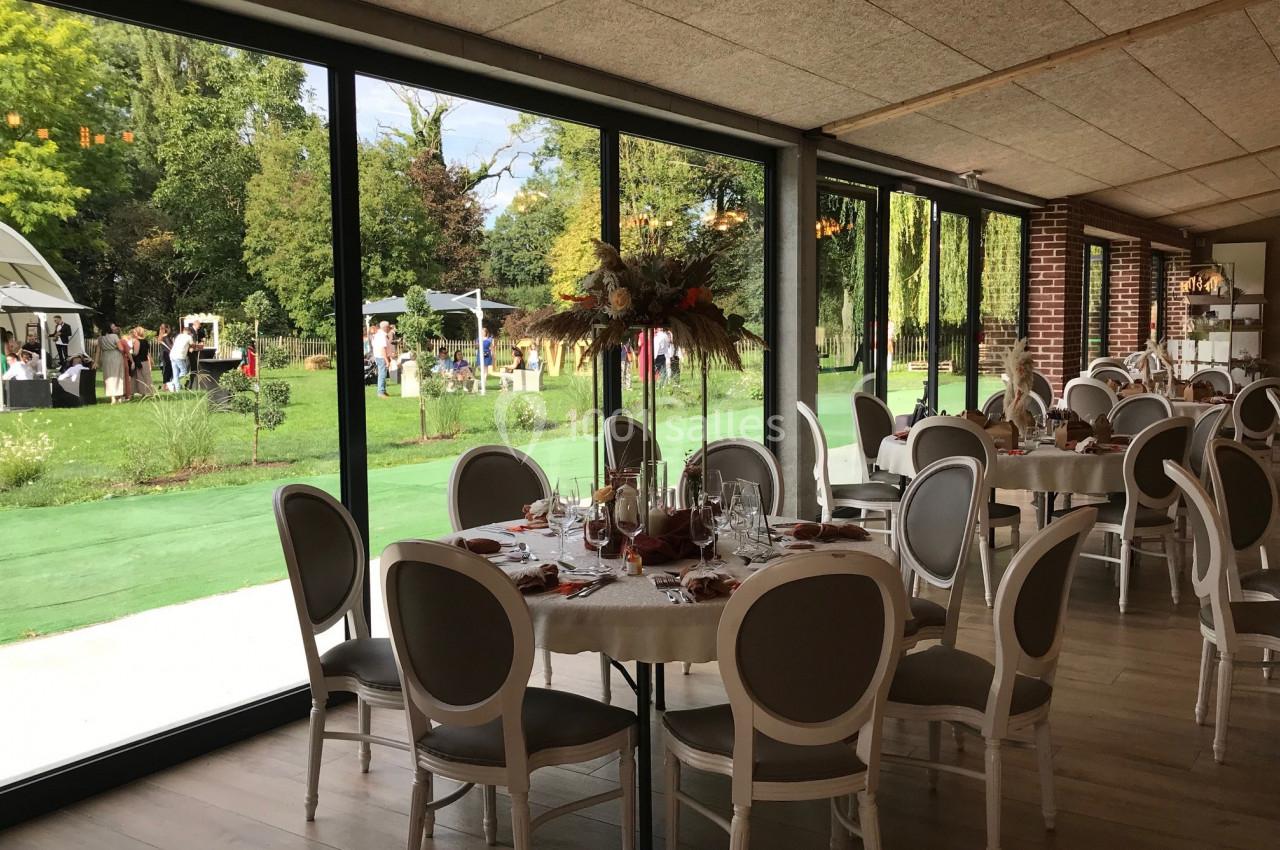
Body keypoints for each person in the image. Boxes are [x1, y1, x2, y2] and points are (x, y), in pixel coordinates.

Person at [98, 323, 128, 403]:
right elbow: (121, 349)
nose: (115, 328)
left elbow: (98, 351)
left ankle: (112, 397)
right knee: (118, 376)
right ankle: (118, 396)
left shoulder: (100, 338)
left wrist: (96, 362)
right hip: (116, 356)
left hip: (106, 357)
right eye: (113, 327)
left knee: (108, 377)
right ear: (109, 328)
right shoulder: (114, 336)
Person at [169, 324, 194, 392]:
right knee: (184, 372)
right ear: (189, 332)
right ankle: (172, 382)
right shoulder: (189, 337)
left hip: (172, 355)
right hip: (179, 356)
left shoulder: (179, 336)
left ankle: (177, 390)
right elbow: (192, 345)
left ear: (183, 331)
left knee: (175, 373)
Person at [130, 326, 153, 397]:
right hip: (145, 361)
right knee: (146, 377)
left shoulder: (137, 341)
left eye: (134, 332)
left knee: (139, 378)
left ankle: (142, 392)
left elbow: (136, 353)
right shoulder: (145, 341)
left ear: (137, 333)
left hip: (139, 362)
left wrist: (130, 353)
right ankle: (148, 391)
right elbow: (147, 352)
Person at [371, 320, 391, 397]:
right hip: (381, 357)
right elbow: (382, 349)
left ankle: (383, 390)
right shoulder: (382, 335)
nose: (389, 328)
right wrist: (387, 360)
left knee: (383, 373)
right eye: (388, 327)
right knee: (382, 374)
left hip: (378, 356)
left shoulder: (378, 334)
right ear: (385, 327)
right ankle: (381, 392)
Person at [156, 323, 174, 390]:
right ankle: (166, 386)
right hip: (167, 355)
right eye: (169, 328)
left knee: (165, 370)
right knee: (168, 370)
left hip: (163, 355)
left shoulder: (161, 336)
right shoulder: (166, 337)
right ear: (167, 329)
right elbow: (170, 347)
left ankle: (165, 385)